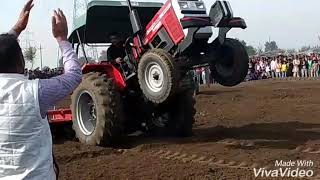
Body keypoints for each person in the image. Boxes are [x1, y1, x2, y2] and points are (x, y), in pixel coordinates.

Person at [0, 1, 82, 179]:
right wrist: (62, 39)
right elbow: (75, 75)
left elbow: (3, 49)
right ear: (21, 62)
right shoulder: (36, 92)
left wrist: (17, 29)